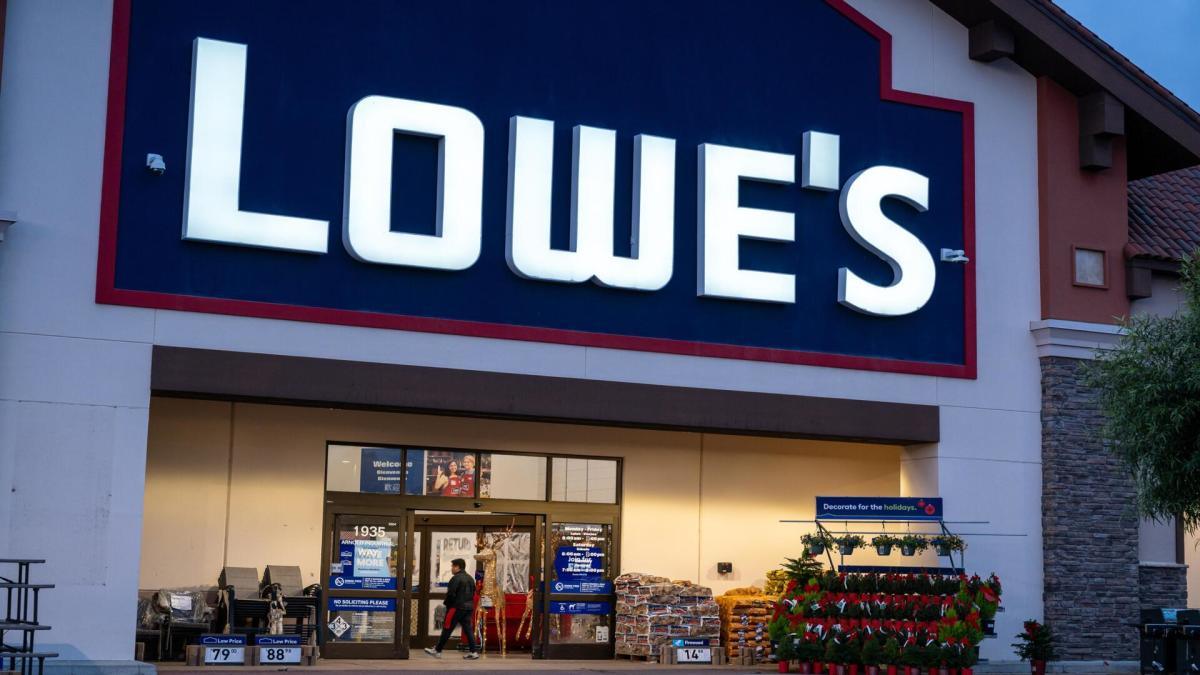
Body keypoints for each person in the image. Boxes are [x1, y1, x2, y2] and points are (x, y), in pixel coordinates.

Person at [425, 558, 479, 659]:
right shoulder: (470, 579)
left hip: (456, 607)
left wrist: (448, 605)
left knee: (447, 628)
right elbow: (473, 594)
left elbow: (451, 594)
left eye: (452, 566)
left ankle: (437, 650)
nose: (451, 568)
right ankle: (474, 652)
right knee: (468, 630)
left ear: (457, 567)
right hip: (468, 608)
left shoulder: (455, 578)